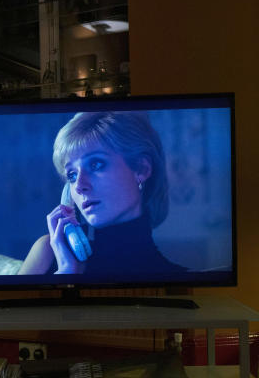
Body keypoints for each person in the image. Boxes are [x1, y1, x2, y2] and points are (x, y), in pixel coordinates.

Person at [18, 110, 186, 276]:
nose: (79, 186)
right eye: (72, 175)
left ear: (142, 169)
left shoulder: (179, 278)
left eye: (96, 164)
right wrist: (66, 274)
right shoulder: (49, 252)